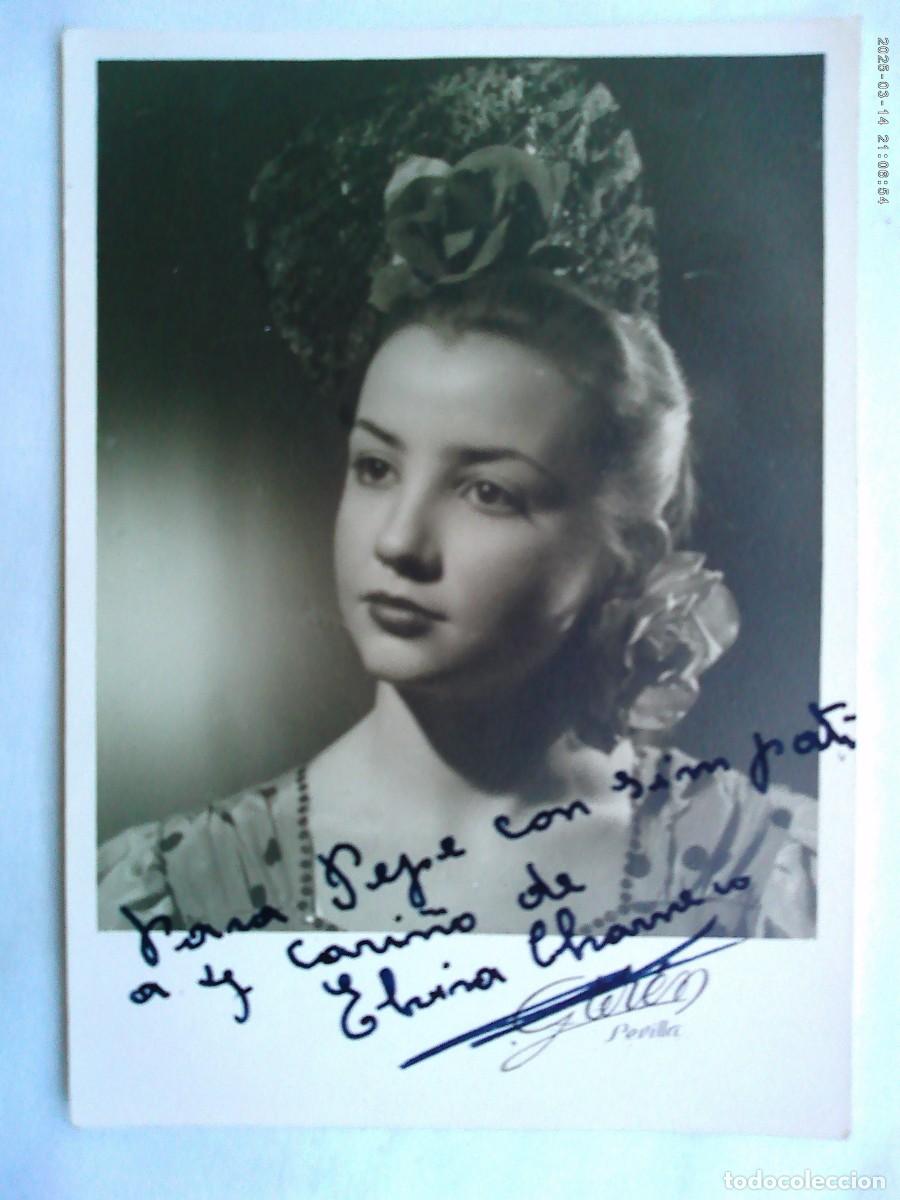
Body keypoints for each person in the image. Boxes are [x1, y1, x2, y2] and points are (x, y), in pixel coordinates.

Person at [98, 66, 816, 940]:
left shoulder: (772, 879)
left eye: (488, 491)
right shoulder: (169, 895)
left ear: (625, 549)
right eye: (375, 468)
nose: (399, 541)